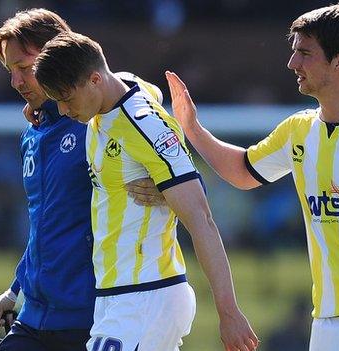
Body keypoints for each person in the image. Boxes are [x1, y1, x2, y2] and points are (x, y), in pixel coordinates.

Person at [165, 3, 339, 351]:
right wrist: (192, 128)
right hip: (328, 321)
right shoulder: (299, 129)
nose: (292, 63)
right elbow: (244, 172)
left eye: (304, 53)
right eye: (294, 52)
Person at [34, 31, 260, 351]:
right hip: (115, 295)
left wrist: (229, 312)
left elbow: (202, 218)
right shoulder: (115, 91)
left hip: (147, 294)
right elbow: (144, 89)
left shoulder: (143, 125)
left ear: (95, 80)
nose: (65, 110)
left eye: (67, 99)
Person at [0, 9, 164, 350]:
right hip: (35, 314)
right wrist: (14, 290)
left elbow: (142, 93)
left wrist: (166, 188)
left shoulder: (97, 120)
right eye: (11, 71)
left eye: (24, 68)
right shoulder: (34, 132)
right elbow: (46, 225)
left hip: (90, 316)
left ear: (57, 53)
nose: (16, 82)